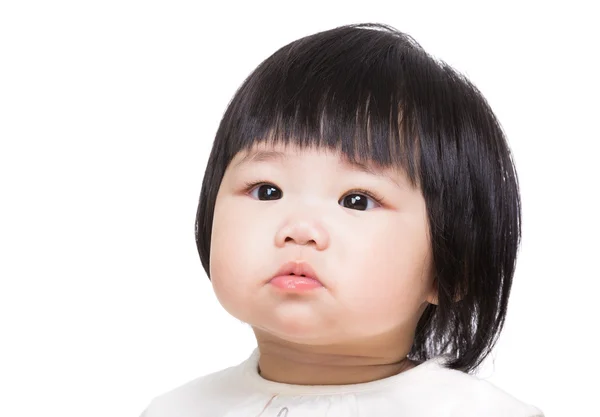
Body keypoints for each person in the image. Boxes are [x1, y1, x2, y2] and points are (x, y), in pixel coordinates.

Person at [139, 23, 544, 416]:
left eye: (356, 200)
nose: (299, 229)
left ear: (452, 269)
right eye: (267, 190)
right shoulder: (177, 409)